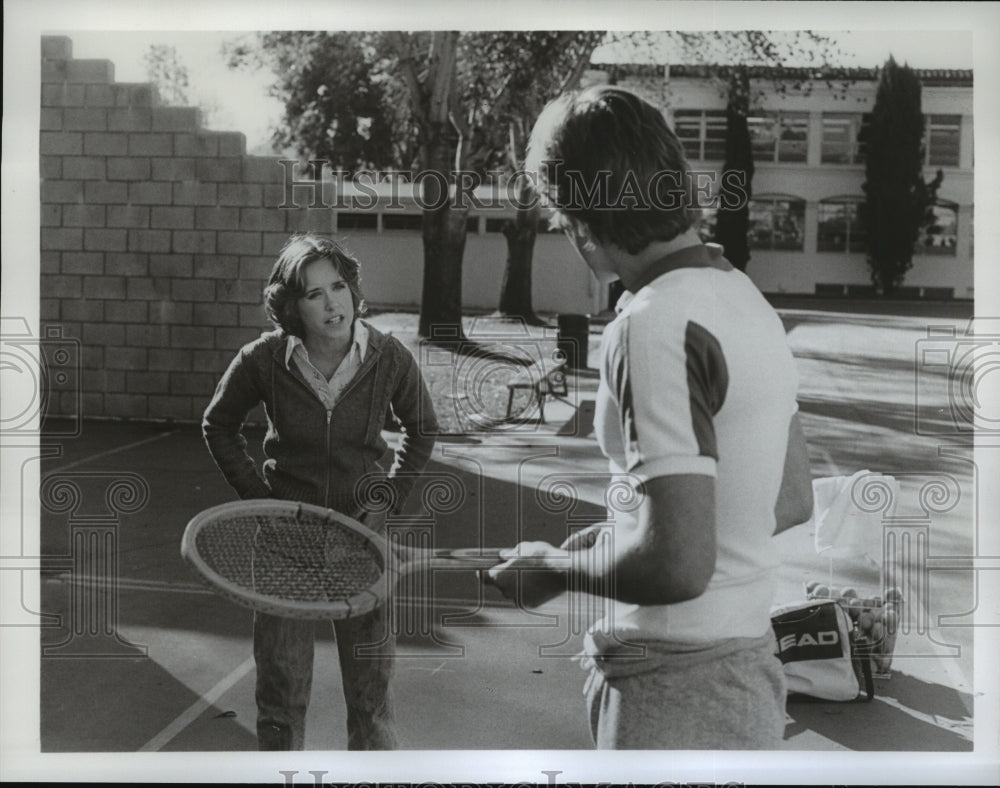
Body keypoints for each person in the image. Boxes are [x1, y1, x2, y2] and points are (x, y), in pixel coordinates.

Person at [487, 86, 814, 749]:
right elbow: (788, 500)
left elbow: (677, 567)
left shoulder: (651, 323)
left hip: (671, 695)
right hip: (749, 682)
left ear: (581, 223)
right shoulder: (746, 299)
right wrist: (613, 542)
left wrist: (554, 569)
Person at [202, 233, 438, 750]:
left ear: (353, 290)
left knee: (371, 705)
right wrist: (257, 497)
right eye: (314, 294)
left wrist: (388, 499)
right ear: (291, 307)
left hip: (360, 543)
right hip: (286, 547)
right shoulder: (263, 359)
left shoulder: (388, 356)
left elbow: (422, 428)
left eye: (339, 286)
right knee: (280, 701)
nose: (333, 302)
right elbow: (218, 424)